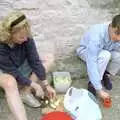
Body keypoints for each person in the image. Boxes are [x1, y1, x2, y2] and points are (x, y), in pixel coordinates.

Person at [0, 11, 56, 120]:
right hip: (5, 70)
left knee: (49, 59)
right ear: (10, 34)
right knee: (10, 82)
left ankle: (25, 92)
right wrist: (34, 84)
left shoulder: (27, 37)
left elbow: (34, 60)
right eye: (21, 37)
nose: (25, 39)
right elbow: (11, 71)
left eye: (26, 36)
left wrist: (45, 84)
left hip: (20, 64)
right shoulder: (1, 45)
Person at [76, 14, 120, 100]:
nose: (118, 38)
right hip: (85, 51)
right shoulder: (96, 35)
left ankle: (105, 74)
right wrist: (99, 90)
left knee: (118, 56)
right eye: (117, 33)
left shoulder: (116, 31)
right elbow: (91, 62)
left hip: (104, 49)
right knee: (105, 55)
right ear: (111, 26)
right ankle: (92, 83)